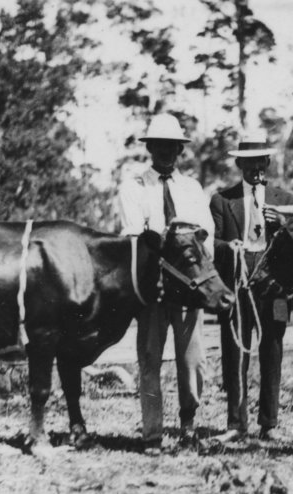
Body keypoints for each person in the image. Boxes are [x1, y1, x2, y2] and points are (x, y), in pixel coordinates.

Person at [116, 112, 214, 450]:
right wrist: (155, 237)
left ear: (180, 149)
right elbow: (133, 236)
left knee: (193, 363)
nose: (166, 152)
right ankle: (153, 433)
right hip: (153, 289)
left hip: (187, 288)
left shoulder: (192, 188)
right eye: (159, 145)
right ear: (150, 148)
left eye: (172, 146)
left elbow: (205, 238)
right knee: (150, 360)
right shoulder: (134, 187)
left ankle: (188, 426)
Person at [210, 132, 293, 444]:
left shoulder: (284, 200)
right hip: (239, 285)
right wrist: (230, 247)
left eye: (261, 161)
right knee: (235, 352)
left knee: (273, 350)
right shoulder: (222, 201)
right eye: (250, 161)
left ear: (268, 162)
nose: (257, 167)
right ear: (240, 163)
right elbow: (209, 244)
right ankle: (236, 424)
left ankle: (269, 424)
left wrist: (283, 225)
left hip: (275, 285)